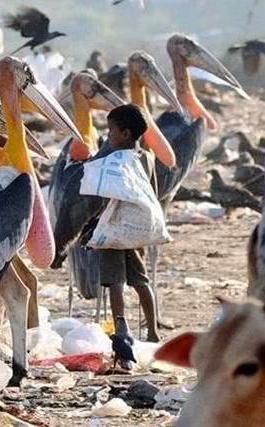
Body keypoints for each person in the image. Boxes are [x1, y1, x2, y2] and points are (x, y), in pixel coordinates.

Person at [95, 104, 160, 372]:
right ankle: (154, 333)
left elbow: (97, 186)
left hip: (113, 229)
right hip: (136, 231)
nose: (108, 134)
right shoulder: (147, 157)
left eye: (111, 130)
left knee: (115, 283)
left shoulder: (112, 158)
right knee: (141, 281)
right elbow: (152, 193)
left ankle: (121, 333)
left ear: (124, 133)